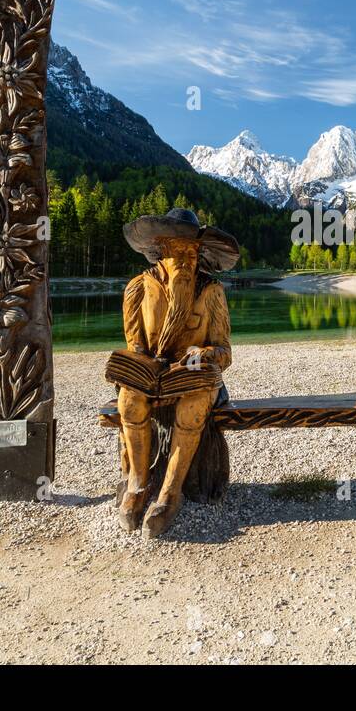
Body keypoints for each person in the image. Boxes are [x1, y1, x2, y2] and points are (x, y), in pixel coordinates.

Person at [111, 208, 239, 537]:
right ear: (161, 251)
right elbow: (135, 345)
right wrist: (139, 361)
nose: (185, 259)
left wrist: (205, 354)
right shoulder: (138, 288)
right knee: (129, 402)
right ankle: (138, 485)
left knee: (194, 406)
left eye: (191, 252)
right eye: (177, 250)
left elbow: (225, 352)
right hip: (152, 378)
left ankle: (170, 492)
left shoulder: (212, 293)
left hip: (197, 379)